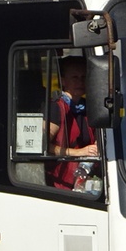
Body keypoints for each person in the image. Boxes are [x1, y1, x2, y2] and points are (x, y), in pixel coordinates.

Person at [47, 56, 99, 190]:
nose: (80, 82)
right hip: (60, 184)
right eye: (75, 77)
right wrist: (79, 153)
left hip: (86, 180)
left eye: (83, 77)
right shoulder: (56, 108)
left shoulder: (89, 107)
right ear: (63, 81)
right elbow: (43, 146)